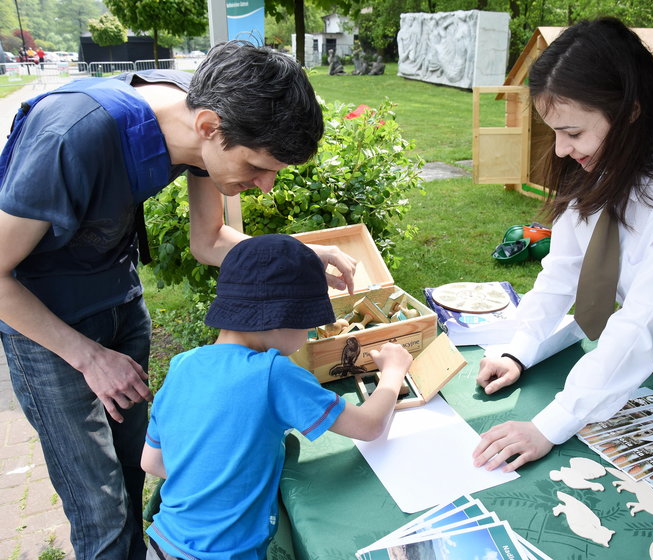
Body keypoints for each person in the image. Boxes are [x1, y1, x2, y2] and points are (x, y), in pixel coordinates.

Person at [0, 41, 356, 559]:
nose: (265, 185)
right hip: (45, 327)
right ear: (210, 127)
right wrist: (90, 357)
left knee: (129, 472)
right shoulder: (72, 135)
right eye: (258, 167)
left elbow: (209, 241)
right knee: (99, 509)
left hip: (117, 300)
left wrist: (301, 256)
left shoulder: (200, 122)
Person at [472, 18, 653, 473]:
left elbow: (642, 323)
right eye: (554, 131)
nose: (561, 150)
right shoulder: (594, 162)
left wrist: (549, 425)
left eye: (573, 133)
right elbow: (562, 271)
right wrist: (518, 348)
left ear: (631, 111)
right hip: (623, 339)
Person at [141, 234, 412, 560]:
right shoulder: (274, 373)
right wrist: (394, 372)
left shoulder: (182, 365)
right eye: (308, 326)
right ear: (281, 320)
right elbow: (368, 426)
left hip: (161, 543)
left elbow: (152, 462)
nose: (309, 334)